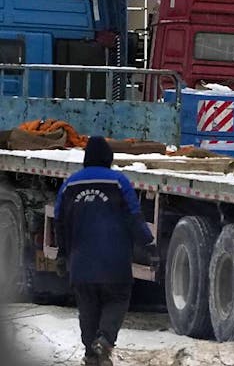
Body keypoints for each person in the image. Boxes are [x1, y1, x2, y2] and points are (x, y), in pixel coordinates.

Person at [54, 136, 154, 366]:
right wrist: (149, 245)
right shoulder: (119, 182)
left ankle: (91, 354)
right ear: (109, 157)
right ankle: (105, 339)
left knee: (87, 307)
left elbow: (59, 221)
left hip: (81, 262)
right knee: (117, 299)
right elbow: (134, 217)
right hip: (114, 262)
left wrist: (62, 253)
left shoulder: (70, 184)